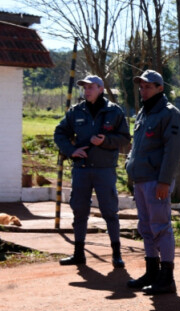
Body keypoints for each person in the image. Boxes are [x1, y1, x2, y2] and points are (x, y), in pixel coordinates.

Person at [54, 75, 131, 267]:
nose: (86, 91)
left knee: (110, 212)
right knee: (79, 210)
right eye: (85, 88)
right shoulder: (76, 111)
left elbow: (124, 138)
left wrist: (105, 141)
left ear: (100, 89)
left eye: (90, 87)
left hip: (105, 170)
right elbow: (60, 133)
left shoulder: (114, 111)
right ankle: (78, 254)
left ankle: (116, 254)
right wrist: (72, 151)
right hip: (81, 169)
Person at [125, 70, 180, 295]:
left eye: (149, 86)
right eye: (141, 86)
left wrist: (164, 181)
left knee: (161, 228)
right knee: (146, 228)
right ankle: (152, 271)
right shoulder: (144, 113)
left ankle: (167, 278)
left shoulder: (170, 114)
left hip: (156, 181)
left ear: (161, 88)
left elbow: (173, 151)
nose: (143, 90)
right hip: (141, 180)